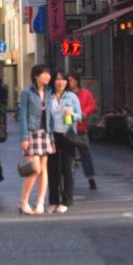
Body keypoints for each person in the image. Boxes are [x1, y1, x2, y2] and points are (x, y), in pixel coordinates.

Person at [19, 64, 55, 215]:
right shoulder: (27, 92)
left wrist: (51, 137)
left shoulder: (48, 93)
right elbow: (23, 116)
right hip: (31, 133)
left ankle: (40, 202)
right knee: (35, 169)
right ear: (36, 76)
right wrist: (24, 137)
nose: (47, 76)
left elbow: (50, 116)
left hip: (45, 133)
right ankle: (23, 201)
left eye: (48, 74)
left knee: (44, 169)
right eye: (44, 74)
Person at [48, 71, 82, 214]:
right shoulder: (48, 96)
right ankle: (54, 201)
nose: (60, 82)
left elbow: (79, 116)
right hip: (52, 135)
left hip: (67, 135)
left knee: (67, 169)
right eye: (57, 79)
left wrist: (72, 115)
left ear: (67, 82)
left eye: (63, 80)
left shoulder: (72, 97)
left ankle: (66, 201)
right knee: (52, 169)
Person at [68, 72, 98, 190]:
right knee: (67, 156)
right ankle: (68, 179)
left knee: (85, 153)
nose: (68, 82)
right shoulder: (65, 95)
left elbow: (91, 105)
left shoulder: (85, 93)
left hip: (80, 129)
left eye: (70, 80)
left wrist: (84, 113)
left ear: (76, 81)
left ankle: (91, 178)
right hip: (68, 130)